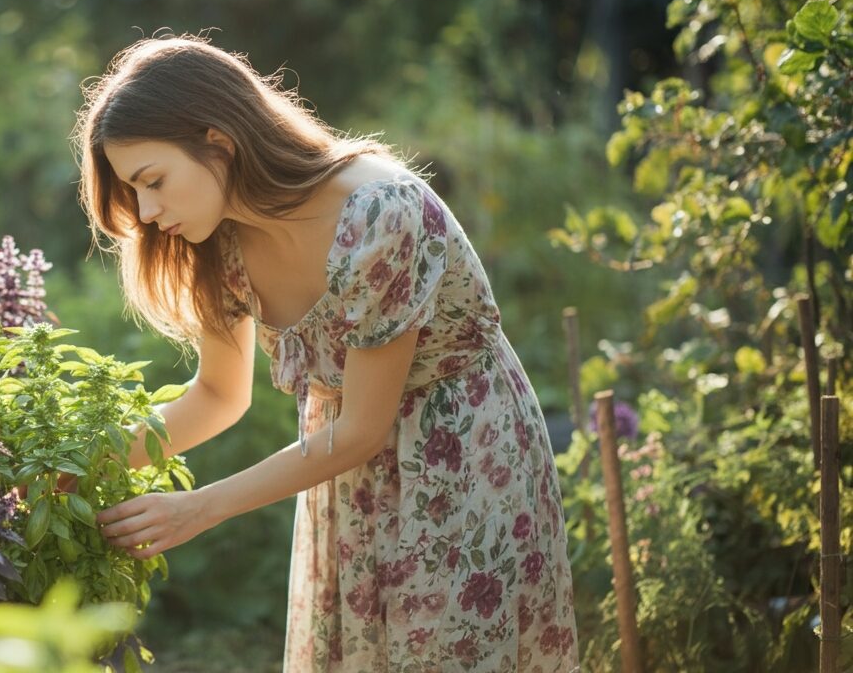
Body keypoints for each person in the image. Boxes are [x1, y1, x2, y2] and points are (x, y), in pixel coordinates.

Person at [75, 35, 578, 672]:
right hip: (342, 483)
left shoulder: (379, 213)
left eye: (153, 182)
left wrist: (197, 508)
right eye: (134, 191)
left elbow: (365, 427)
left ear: (220, 141)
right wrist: (75, 468)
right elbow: (219, 397)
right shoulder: (219, 242)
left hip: (462, 463)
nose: (146, 211)